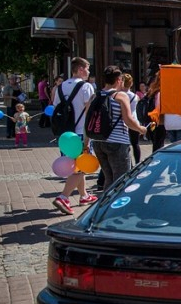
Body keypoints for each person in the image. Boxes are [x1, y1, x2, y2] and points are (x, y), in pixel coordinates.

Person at [91, 65, 148, 193]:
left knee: (108, 178)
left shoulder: (96, 96)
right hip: (117, 142)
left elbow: (89, 121)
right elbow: (128, 120)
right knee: (121, 180)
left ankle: (104, 208)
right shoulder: (121, 96)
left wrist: (86, 144)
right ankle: (117, 209)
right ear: (118, 80)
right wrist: (141, 129)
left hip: (98, 142)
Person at [51, 58, 98, 215]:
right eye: (87, 68)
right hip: (80, 132)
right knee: (80, 167)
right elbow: (90, 112)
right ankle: (63, 197)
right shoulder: (86, 87)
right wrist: (89, 136)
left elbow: (55, 106)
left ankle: (84, 195)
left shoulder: (59, 87)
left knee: (75, 166)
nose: (89, 72)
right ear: (80, 70)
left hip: (65, 134)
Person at [122, 73, 142, 164]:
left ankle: (128, 163)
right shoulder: (135, 96)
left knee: (125, 145)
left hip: (123, 122)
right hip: (134, 121)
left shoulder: (120, 95)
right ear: (131, 84)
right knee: (135, 144)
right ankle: (138, 162)